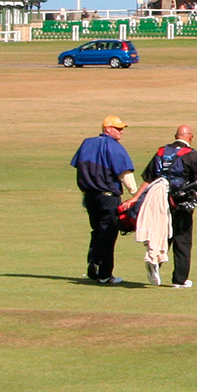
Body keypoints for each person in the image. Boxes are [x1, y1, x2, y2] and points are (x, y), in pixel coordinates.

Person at [142, 124, 197, 288]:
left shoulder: (161, 152)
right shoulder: (193, 156)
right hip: (181, 205)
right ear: (190, 136)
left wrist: (137, 198)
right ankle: (180, 279)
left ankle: (154, 264)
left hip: (158, 202)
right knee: (182, 240)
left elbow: (149, 177)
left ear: (176, 136)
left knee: (161, 236)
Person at [70, 116, 136, 284]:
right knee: (107, 234)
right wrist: (135, 193)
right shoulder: (114, 147)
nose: (121, 131)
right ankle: (105, 275)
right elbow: (125, 174)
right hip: (108, 197)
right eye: (117, 128)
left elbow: (80, 166)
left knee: (97, 231)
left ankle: (93, 264)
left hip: (90, 197)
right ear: (107, 129)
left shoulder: (87, 143)